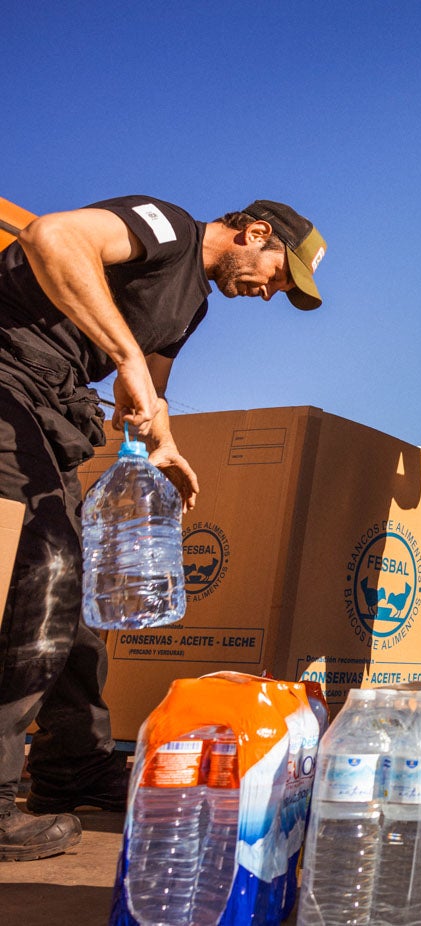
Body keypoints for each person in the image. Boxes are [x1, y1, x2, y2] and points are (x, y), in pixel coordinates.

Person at [0, 196, 326, 861]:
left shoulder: (190, 306)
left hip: (51, 404)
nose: (268, 293)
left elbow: (150, 391)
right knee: (42, 583)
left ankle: (71, 768)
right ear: (255, 234)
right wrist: (122, 357)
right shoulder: (166, 227)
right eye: (277, 275)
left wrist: (164, 446)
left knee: (80, 593)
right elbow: (50, 236)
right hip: (8, 380)